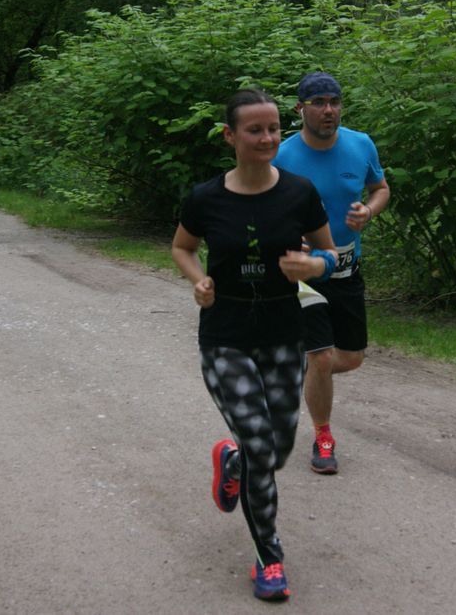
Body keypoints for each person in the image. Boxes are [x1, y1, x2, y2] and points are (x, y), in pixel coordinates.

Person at [171, 88, 337, 602]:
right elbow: (181, 247)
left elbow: (334, 254)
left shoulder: (299, 192)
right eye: (255, 130)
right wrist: (198, 280)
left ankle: (235, 463)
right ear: (230, 136)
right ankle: (269, 557)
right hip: (225, 336)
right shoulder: (206, 198)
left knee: (277, 449)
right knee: (263, 448)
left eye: (273, 129)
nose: (267, 138)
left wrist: (314, 265)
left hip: (284, 332)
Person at [273, 72, 390, 474]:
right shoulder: (283, 157)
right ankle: (323, 438)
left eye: (335, 102)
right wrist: (289, 239)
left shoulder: (361, 144)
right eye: (319, 102)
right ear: (300, 109)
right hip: (303, 276)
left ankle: (296, 370)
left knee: (352, 358)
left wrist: (368, 211)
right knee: (321, 357)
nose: (329, 110)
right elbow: (261, 210)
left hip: (346, 270)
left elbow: (381, 188)